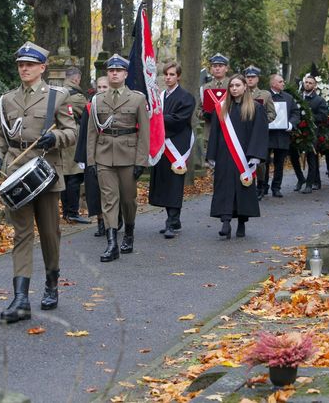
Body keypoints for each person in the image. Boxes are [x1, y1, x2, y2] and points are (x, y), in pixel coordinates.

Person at [0, 41, 77, 323]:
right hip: (17, 172)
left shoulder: (57, 97)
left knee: (50, 234)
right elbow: (2, 136)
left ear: (42, 67)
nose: (24, 69)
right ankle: (21, 298)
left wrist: (56, 138)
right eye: (21, 65)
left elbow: (72, 131)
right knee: (22, 233)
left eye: (30, 65)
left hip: (47, 171)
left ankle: (52, 281)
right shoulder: (7, 100)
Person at [87, 54, 150, 262]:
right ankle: (112, 243)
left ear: (125, 74)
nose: (114, 73)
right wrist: (91, 161)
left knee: (128, 200)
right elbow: (92, 132)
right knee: (109, 200)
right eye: (111, 70)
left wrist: (141, 161)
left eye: (118, 70)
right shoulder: (97, 99)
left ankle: (129, 232)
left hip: (129, 154)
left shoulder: (138, 99)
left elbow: (144, 134)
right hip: (104, 155)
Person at [206, 74, 268, 239]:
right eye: (232, 85)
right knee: (224, 188)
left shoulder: (255, 108)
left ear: (245, 87)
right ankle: (225, 221)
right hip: (224, 155)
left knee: (242, 189)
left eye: (237, 85)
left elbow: (259, 133)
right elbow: (214, 133)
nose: (234, 88)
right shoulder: (222, 108)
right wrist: (211, 155)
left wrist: (255, 155)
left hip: (244, 156)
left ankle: (241, 221)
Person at [148, 61, 195, 238]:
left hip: (177, 145)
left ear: (179, 76)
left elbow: (179, 120)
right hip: (162, 144)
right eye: (166, 74)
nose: (168, 78)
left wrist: (158, 117)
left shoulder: (186, 97)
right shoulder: (160, 97)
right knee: (165, 182)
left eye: (172, 74)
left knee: (175, 184)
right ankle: (173, 219)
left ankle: (171, 221)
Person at [74, 76, 123, 237]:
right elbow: (84, 134)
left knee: (112, 191)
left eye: (105, 87)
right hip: (93, 154)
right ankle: (101, 222)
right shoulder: (90, 107)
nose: (101, 90)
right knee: (94, 191)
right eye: (99, 87)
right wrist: (82, 157)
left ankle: (116, 218)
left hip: (114, 153)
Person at [60, 67, 91, 224]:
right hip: (73, 140)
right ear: (76, 79)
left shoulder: (58, 93)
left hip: (60, 139)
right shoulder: (76, 97)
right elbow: (89, 112)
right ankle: (73, 212)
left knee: (64, 178)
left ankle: (66, 212)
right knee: (75, 176)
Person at [263, 73, 300, 197]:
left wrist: (291, 124)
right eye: (280, 81)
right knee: (265, 162)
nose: (283, 83)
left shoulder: (288, 98)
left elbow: (296, 113)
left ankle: (276, 187)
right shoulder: (264, 96)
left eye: (283, 81)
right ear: (273, 83)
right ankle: (263, 186)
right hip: (267, 135)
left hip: (282, 135)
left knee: (279, 163)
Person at [242, 66, 275, 199]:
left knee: (260, 161)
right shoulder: (240, 93)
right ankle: (247, 183)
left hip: (259, 133)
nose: (250, 80)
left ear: (258, 79)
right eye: (248, 77)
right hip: (244, 131)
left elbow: (272, 113)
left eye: (252, 77)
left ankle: (261, 185)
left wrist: (261, 121)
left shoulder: (265, 95)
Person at [299, 75, 328, 193]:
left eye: (310, 83)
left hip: (312, 132)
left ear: (315, 85)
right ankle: (302, 180)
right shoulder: (299, 98)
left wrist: (310, 117)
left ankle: (310, 184)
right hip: (299, 132)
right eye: (306, 82)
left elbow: (323, 116)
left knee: (312, 158)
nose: (307, 84)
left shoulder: (319, 100)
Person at [199, 53, 231, 148]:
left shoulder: (233, 85)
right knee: (209, 161)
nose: (217, 68)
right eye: (214, 66)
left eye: (220, 66)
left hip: (230, 131)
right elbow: (198, 109)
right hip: (210, 131)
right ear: (211, 69)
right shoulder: (204, 88)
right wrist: (204, 114)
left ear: (226, 69)